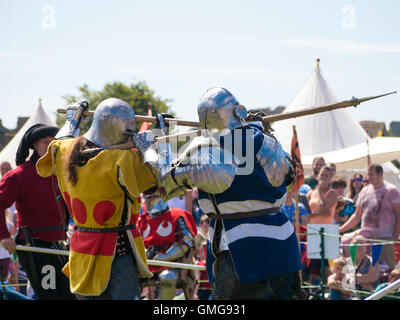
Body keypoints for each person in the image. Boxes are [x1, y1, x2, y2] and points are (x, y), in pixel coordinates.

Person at [134, 87, 302, 300]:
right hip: (283, 244)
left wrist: (150, 146)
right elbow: (289, 175)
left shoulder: (206, 150)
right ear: (238, 110)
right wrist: (251, 126)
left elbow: (166, 180)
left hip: (242, 250)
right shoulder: (266, 140)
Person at [36, 98, 157, 299]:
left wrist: (72, 118)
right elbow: (155, 184)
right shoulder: (122, 159)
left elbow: (61, 139)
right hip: (117, 250)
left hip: (82, 249)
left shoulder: (65, 152)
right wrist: (150, 147)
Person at [0, 123, 74, 300]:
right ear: (34, 145)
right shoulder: (19, 174)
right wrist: (3, 235)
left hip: (60, 245)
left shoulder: (61, 173)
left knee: (68, 297)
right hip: (34, 245)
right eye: (45, 142)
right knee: (49, 297)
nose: (50, 146)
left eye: (53, 142)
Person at [137, 192, 197, 300]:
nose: (150, 199)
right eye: (148, 197)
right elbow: (137, 243)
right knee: (129, 276)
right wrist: (144, 255)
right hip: (148, 263)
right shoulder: (142, 221)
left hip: (173, 263)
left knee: (167, 276)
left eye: (153, 196)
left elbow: (186, 240)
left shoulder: (176, 215)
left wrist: (166, 256)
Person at [339, 163, 400, 270]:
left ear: (380, 173)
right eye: (368, 174)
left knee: (386, 272)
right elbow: (357, 215)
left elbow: (399, 215)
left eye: (371, 174)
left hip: (385, 239)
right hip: (365, 241)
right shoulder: (365, 190)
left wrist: (394, 237)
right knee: (362, 271)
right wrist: (342, 229)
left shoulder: (392, 190)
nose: (368, 177)